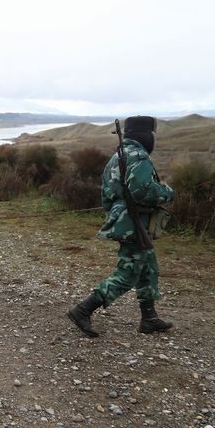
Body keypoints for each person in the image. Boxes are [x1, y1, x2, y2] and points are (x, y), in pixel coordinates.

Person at [68, 116, 175, 337]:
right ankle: (83, 309)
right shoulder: (139, 157)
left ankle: (149, 318)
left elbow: (106, 196)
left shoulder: (117, 157)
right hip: (134, 222)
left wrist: (117, 214)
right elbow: (143, 192)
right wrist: (166, 192)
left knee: (148, 267)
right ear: (146, 137)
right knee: (129, 273)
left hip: (125, 221)